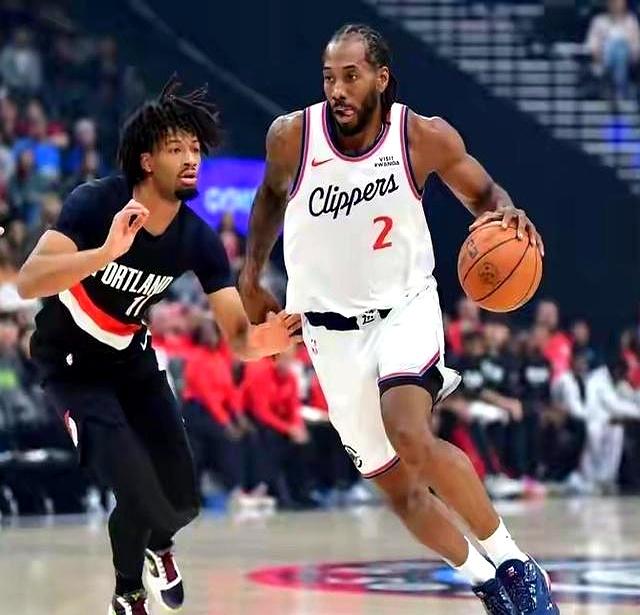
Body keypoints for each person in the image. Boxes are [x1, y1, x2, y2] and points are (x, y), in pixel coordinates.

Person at [239, 23, 557, 615]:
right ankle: (486, 583)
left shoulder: (421, 137)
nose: (337, 89)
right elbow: (270, 198)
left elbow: (485, 194)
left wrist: (509, 213)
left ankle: (515, 563)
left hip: (403, 309)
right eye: (329, 78)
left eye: (351, 76)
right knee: (401, 492)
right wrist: (251, 273)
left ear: (381, 78)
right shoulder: (291, 137)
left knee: (409, 432)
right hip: (328, 334)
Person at [16, 76, 300, 615]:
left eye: (195, 148)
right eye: (176, 149)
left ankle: (160, 546)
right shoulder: (96, 202)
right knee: (137, 493)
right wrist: (105, 252)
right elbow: (29, 282)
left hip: (133, 366)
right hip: (73, 370)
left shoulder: (197, 238)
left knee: (182, 503)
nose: (191, 159)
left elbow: (238, 337)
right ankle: (127, 596)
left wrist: (263, 341)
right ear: (146, 161)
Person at [586, 0, 640, 101]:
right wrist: (599, 55)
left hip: (628, 61)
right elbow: (592, 45)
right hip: (603, 59)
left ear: (624, 3)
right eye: (613, 2)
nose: (616, 4)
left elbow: (637, 45)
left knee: (620, 49)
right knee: (617, 48)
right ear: (608, 3)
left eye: (619, 2)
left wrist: (632, 55)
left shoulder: (631, 21)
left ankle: (615, 89)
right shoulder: (599, 21)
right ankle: (619, 92)